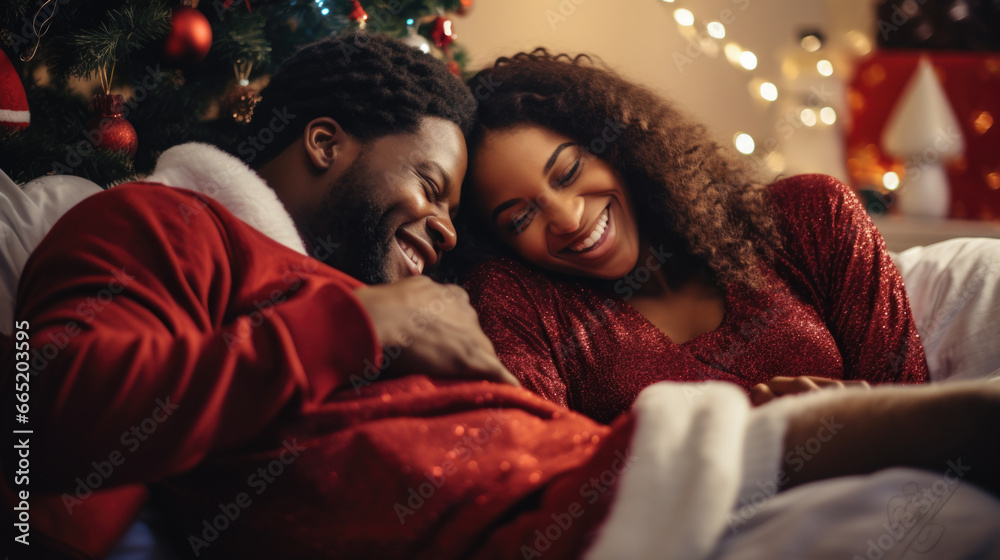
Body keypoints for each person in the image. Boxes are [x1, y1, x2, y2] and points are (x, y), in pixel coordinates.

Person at [4, 34, 1000, 560]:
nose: (442, 230)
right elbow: (35, 418)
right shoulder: (159, 222)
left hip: (617, 482)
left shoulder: (366, 293)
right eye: (436, 189)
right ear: (323, 143)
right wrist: (356, 322)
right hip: (601, 516)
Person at [456, 51, 926, 423]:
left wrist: (857, 417)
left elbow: (917, 411)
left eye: (569, 171)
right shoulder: (519, 303)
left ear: (615, 144)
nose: (567, 217)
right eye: (519, 219)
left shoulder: (811, 216)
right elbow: (540, 466)